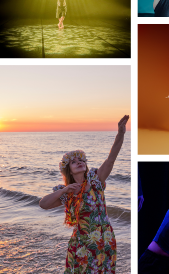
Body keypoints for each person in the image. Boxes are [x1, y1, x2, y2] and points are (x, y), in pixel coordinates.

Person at [40, 115, 130, 273]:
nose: (79, 162)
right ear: (69, 169)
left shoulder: (96, 180)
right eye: (74, 162)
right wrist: (63, 191)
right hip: (81, 242)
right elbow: (43, 204)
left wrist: (120, 133)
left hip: (104, 238)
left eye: (81, 160)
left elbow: (110, 160)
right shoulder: (68, 192)